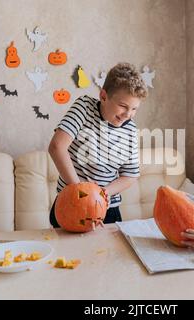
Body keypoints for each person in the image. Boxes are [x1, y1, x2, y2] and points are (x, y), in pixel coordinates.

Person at [48, 63, 148, 228]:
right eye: (123, 106)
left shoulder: (130, 129)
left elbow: (130, 175)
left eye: (134, 109)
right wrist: (81, 192)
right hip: (71, 202)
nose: (128, 115)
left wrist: (103, 193)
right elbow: (57, 147)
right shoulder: (84, 108)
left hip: (107, 209)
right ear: (103, 96)